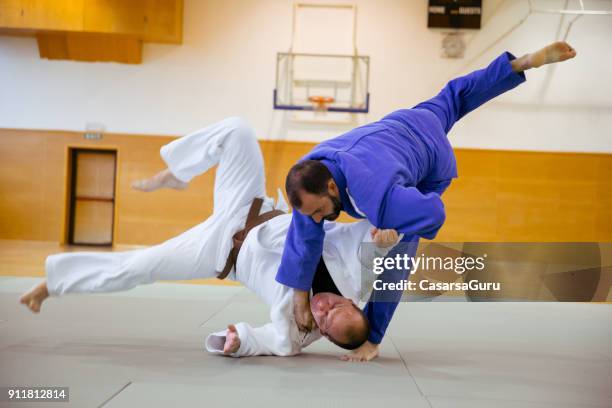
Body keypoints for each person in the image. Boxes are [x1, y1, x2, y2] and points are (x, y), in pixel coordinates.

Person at [276, 41, 578, 361]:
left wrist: (394, 227)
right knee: (454, 97)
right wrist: (299, 298)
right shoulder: (310, 172)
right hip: (406, 123)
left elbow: (434, 212)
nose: (319, 218)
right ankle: (522, 63)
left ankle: (373, 339)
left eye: (321, 210)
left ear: (332, 188)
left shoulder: (380, 198)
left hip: (430, 169)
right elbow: (304, 235)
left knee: (395, 255)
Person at [19, 117, 400, 360]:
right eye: (339, 308)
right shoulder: (355, 270)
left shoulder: (295, 332)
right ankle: (180, 172)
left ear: (325, 336)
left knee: (139, 266)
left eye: (327, 321)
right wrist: (386, 235)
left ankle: (54, 282)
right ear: (352, 301)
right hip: (252, 207)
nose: (325, 308)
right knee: (239, 132)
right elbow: (375, 235)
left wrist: (231, 341)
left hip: (219, 250)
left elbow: (262, 340)